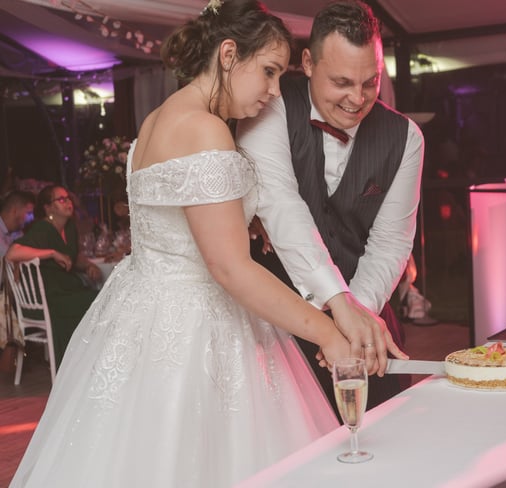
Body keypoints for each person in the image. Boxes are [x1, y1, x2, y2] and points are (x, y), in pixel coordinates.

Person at [11, 1, 400, 486]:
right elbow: (230, 268)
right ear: (229, 54)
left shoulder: (156, 121)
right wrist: (326, 332)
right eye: (269, 72)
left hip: (138, 314)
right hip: (196, 326)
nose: (274, 91)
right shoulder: (205, 130)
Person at [237, 0, 422, 410]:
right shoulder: (267, 104)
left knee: (384, 438)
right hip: (277, 321)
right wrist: (334, 314)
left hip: (366, 310)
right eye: (342, 82)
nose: (358, 98)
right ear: (306, 63)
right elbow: (281, 207)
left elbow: (391, 242)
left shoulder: (406, 137)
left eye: (370, 82)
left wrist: (356, 318)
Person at [5, 185, 101, 368]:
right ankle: (83, 364)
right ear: (48, 208)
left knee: (101, 296)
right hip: (50, 295)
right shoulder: (43, 228)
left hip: (68, 289)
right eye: (61, 199)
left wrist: (88, 265)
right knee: (98, 300)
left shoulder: (70, 228)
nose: (68, 203)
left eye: (68, 198)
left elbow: (71, 257)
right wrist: (51, 253)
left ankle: (96, 360)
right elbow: (12, 253)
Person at [0, 190, 35, 258]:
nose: (32, 218)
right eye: (29, 213)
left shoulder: (17, 232)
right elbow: (9, 257)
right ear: (14, 211)